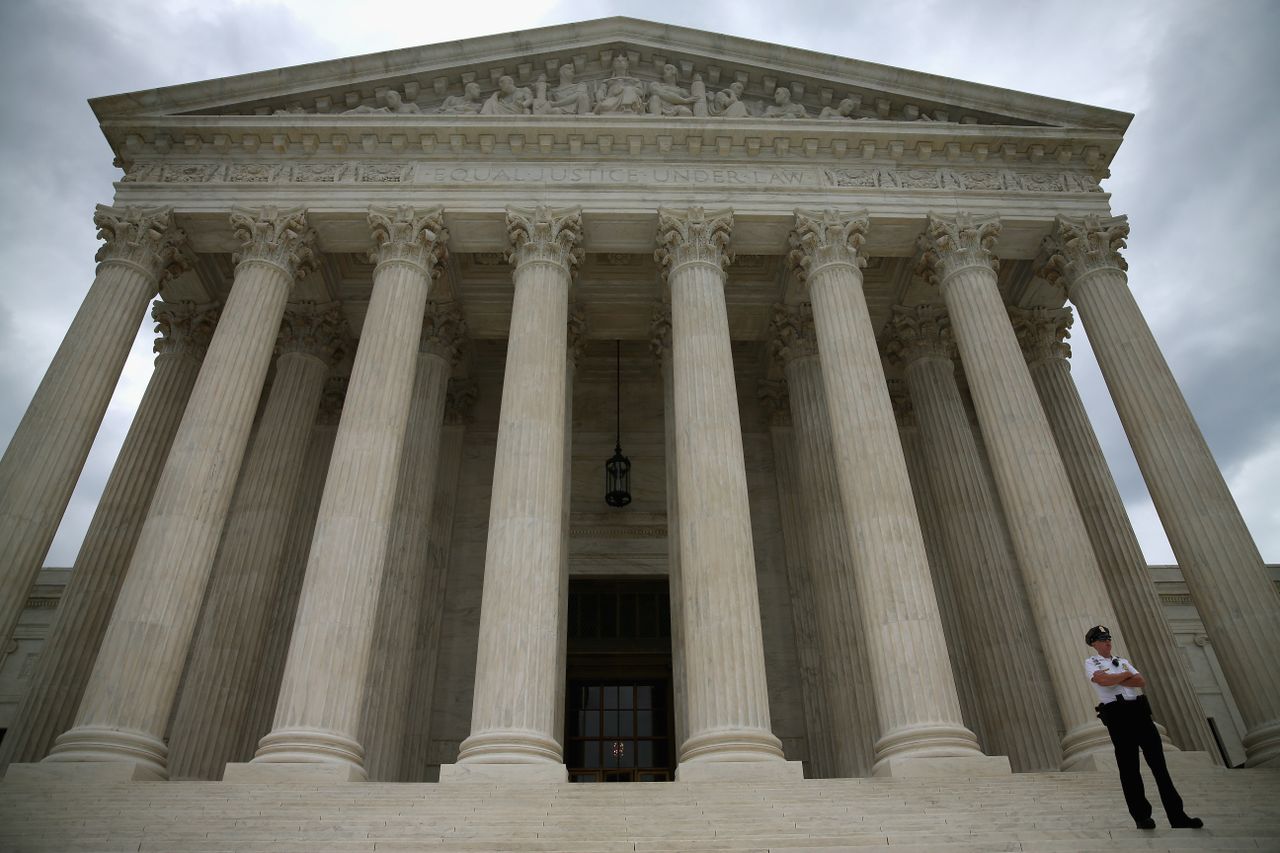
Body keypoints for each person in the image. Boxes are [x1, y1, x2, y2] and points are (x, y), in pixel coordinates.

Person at [1084, 625, 1204, 831]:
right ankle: (1141, 816)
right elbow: (1102, 681)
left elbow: (1141, 681)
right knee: (1129, 768)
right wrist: (1124, 676)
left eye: (1108, 638)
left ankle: (1178, 816)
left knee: (1160, 766)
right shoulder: (1091, 662)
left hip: (1139, 712)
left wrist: (1118, 677)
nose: (1107, 642)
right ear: (1094, 643)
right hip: (1117, 714)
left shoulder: (1121, 661)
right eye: (1102, 639)